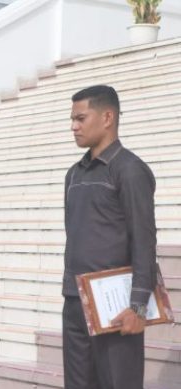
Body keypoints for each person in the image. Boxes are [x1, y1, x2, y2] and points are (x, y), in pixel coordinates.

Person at [63, 85, 157, 389]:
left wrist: (138, 307)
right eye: (72, 119)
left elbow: (144, 241)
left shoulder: (130, 170)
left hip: (116, 307)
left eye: (80, 118)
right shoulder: (74, 175)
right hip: (76, 302)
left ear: (107, 117)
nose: (73, 126)